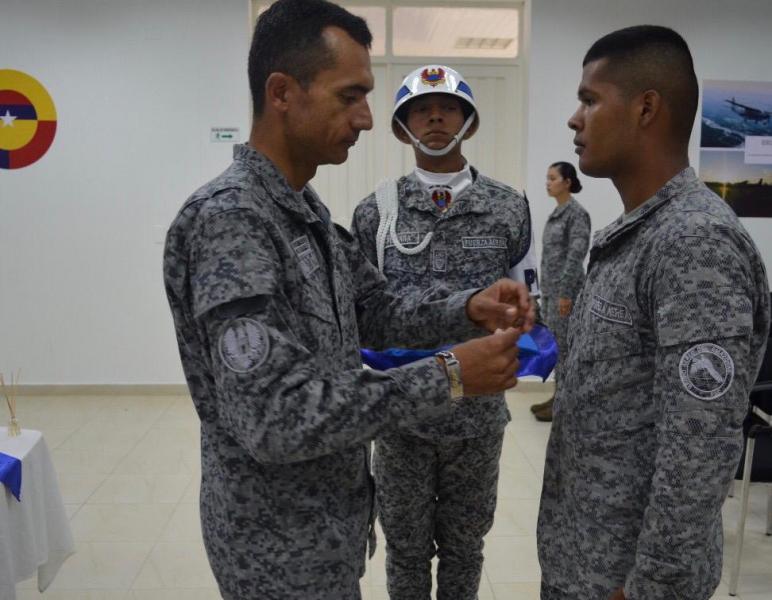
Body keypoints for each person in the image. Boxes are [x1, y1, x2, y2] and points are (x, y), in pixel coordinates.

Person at [162, 2, 535, 599]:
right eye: (349, 96)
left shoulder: (305, 214)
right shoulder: (233, 222)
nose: (366, 119)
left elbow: (375, 307)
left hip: (327, 531)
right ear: (282, 92)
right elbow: (276, 415)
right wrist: (450, 374)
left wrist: (469, 307)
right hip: (276, 549)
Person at [536, 25, 770, 600]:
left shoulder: (694, 243)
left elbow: (699, 445)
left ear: (645, 109)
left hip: (627, 580)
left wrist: (654, 584)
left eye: (590, 99)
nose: (574, 119)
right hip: (584, 558)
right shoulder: (639, 234)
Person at [351, 65, 538, 600]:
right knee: (406, 548)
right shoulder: (375, 211)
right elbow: (363, 312)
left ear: (469, 122)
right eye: (420, 109)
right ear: (401, 125)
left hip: (477, 419)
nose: (435, 117)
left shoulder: (508, 207)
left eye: (449, 108)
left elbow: (526, 301)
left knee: (464, 546)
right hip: (401, 414)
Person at [530, 161, 590, 422]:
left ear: (567, 182)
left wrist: (565, 294)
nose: (548, 182)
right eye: (547, 177)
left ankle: (563, 406)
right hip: (552, 293)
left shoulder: (576, 214)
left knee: (565, 350)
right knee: (558, 349)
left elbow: (575, 256)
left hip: (566, 294)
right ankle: (557, 398)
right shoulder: (558, 213)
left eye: (552, 178)